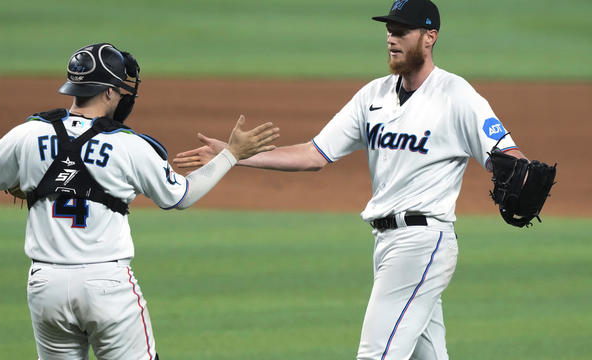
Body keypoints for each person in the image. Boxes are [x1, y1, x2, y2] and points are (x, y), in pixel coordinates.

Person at [172, 1, 543, 359]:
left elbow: (509, 157)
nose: (391, 38)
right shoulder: (374, 95)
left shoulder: (456, 95)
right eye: (388, 30)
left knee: (376, 354)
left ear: (429, 37)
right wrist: (234, 156)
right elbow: (314, 154)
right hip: (386, 245)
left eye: (401, 31)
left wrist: (519, 172)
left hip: (421, 243)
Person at [0, 42, 279, 360]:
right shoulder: (129, 146)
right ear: (110, 92)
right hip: (106, 286)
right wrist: (232, 154)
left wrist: (24, 185)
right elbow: (181, 196)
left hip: (46, 287)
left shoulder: (26, 135)